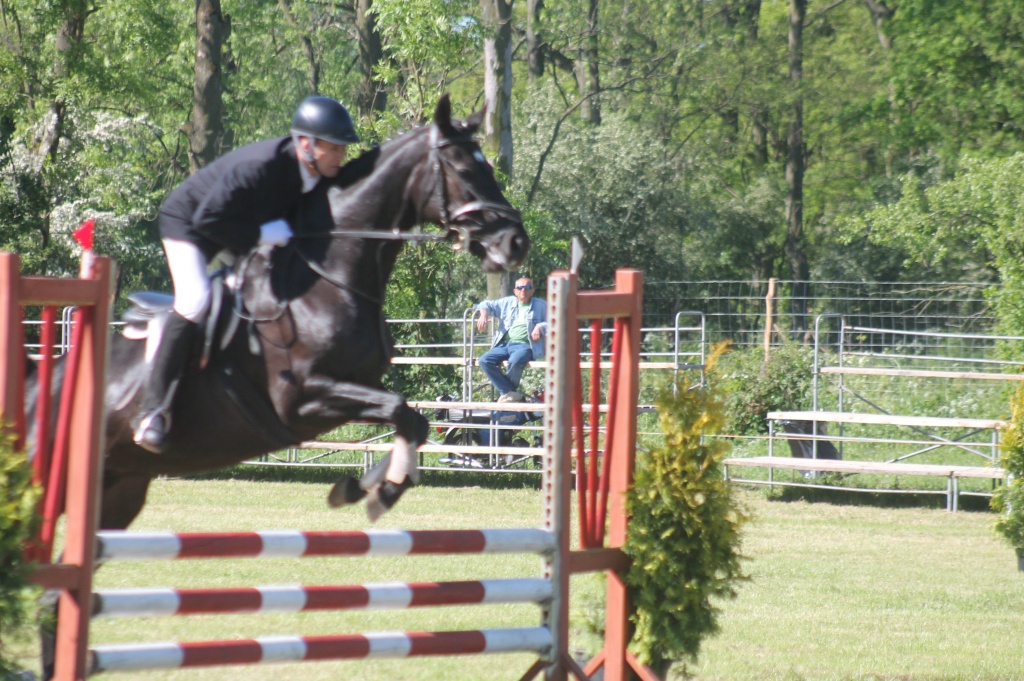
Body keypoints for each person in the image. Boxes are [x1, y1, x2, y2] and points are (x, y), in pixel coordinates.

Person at [133, 95, 360, 454]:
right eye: (335, 148)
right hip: (190, 223)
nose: (341, 156)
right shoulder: (261, 167)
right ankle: (152, 413)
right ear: (307, 144)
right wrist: (259, 235)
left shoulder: (316, 172)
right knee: (194, 301)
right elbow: (209, 219)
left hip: (234, 226)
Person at [475, 277, 547, 402]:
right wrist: (484, 315)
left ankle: (508, 394)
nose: (523, 290)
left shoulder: (541, 305)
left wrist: (540, 326)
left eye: (527, 287)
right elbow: (484, 304)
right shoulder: (507, 302)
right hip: (504, 345)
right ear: (515, 291)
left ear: (532, 291)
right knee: (484, 360)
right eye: (520, 288)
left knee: (515, 360)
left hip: (525, 346)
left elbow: (558, 320)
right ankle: (510, 393)